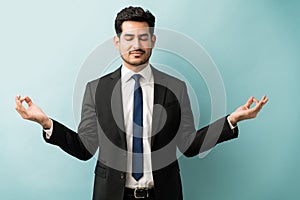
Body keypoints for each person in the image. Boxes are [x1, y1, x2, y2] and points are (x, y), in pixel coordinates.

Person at [15, 6, 268, 200]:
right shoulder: (97, 89)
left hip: (163, 194)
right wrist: (46, 122)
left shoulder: (175, 88)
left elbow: (189, 145)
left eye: (144, 37)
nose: (136, 45)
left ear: (153, 41)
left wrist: (231, 121)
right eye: (129, 38)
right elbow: (85, 148)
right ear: (117, 42)